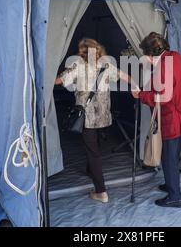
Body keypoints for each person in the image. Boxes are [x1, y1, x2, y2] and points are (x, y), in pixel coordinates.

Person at [55, 38, 134, 203]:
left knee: (93, 151)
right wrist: (136, 86)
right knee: (94, 143)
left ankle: (101, 191)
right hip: (103, 115)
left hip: (87, 115)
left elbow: (60, 81)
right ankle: (90, 170)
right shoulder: (106, 65)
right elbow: (123, 76)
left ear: (82, 51)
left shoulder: (78, 65)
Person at [132, 32, 181, 208]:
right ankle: (170, 185)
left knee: (169, 158)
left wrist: (141, 95)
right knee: (171, 155)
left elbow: (163, 97)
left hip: (172, 118)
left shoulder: (163, 67)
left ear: (151, 53)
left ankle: (175, 196)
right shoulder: (174, 57)